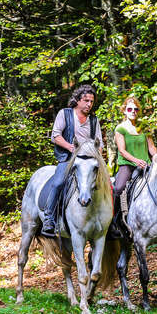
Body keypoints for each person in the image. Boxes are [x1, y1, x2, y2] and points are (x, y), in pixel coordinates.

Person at [42, 84, 103, 235]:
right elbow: (55, 136)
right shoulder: (65, 114)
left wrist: (97, 157)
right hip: (68, 158)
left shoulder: (94, 120)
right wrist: (71, 148)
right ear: (77, 100)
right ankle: (49, 218)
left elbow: (99, 143)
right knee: (58, 183)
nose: (89, 104)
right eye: (86, 100)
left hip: (88, 160)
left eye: (91, 101)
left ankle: (111, 222)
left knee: (108, 184)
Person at [111, 96, 157, 235]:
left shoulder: (144, 127)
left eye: (135, 109)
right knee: (118, 188)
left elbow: (152, 148)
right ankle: (115, 222)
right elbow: (122, 151)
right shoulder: (120, 129)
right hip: (128, 165)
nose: (133, 111)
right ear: (124, 111)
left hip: (146, 165)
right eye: (129, 109)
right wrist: (136, 161)